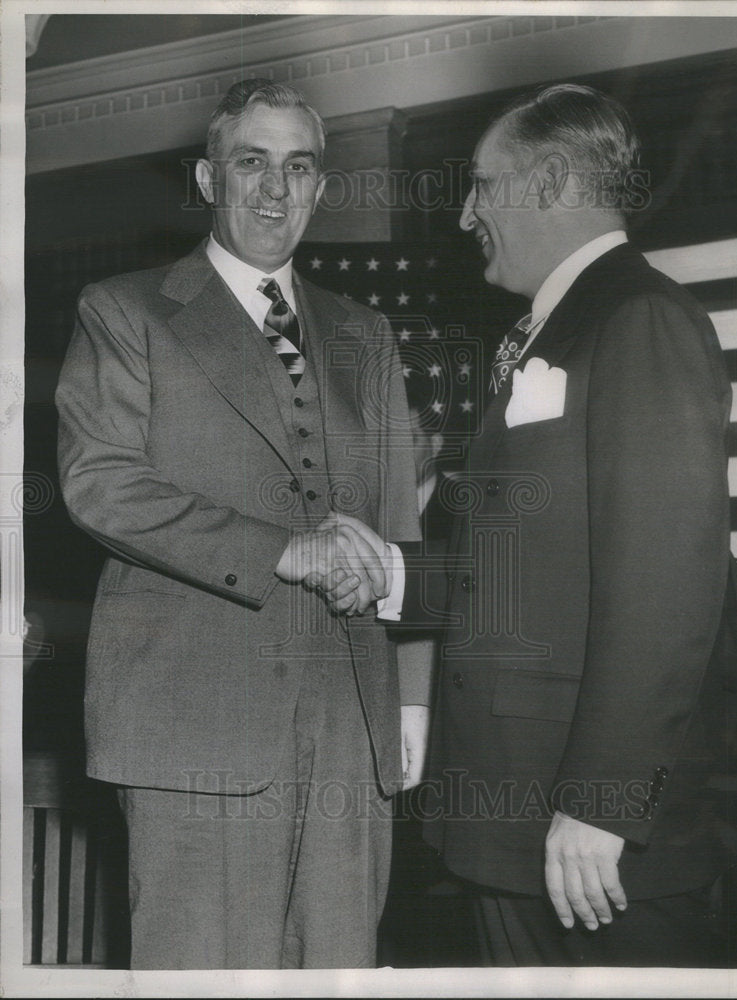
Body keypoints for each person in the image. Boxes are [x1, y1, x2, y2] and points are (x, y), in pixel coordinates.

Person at [318, 83, 737, 966]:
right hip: (519, 821)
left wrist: (600, 800)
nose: (465, 215)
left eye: (482, 184)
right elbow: (531, 564)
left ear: (552, 180)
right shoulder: (549, 330)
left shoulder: (637, 318)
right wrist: (390, 572)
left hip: (587, 837)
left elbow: (666, 587)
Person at [55, 79, 430, 970]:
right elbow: (100, 483)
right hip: (194, 728)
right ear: (207, 178)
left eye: (298, 167)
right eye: (251, 163)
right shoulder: (125, 310)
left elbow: (398, 521)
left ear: (320, 186)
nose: (274, 189)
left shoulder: (363, 333)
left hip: (351, 734)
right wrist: (284, 551)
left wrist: (411, 704)